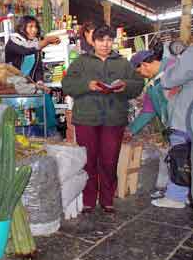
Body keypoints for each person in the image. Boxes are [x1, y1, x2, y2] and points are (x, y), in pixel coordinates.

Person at [62, 25, 144, 213]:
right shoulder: (81, 62)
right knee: (88, 160)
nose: (105, 44)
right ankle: (89, 199)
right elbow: (67, 85)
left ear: (113, 41)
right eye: (101, 40)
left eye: (109, 40)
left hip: (114, 119)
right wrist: (87, 84)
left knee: (109, 160)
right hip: (86, 119)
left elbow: (138, 84)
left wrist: (125, 85)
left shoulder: (123, 63)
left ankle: (107, 199)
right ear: (94, 41)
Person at [126, 43, 174, 199]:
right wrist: (131, 131)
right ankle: (171, 190)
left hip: (186, 123)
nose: (141, 75)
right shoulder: (152, 84)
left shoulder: (174, 69)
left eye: (139, 71)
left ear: (145, 65)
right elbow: (148, 111)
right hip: (173, 128)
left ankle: (178, 194)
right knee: (173, 157)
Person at [150, 44, 193, 209]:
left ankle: (177, 196)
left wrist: (165, 78)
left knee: (180, 153)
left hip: (187, 116)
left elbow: (177, 76)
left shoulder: (170, 67)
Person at [5, 15, 60, 134]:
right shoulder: (14, 40)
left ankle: (46, 134)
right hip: (14, 87)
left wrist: (40, 82)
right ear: (21, 28)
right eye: (30, 26)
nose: (34, 30)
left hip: (30, 86)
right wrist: (45, 42)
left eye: (35, 27)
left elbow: (38, 68)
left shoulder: (35, 43)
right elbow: (25, 50)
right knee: (20, 120)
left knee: (43, 100)